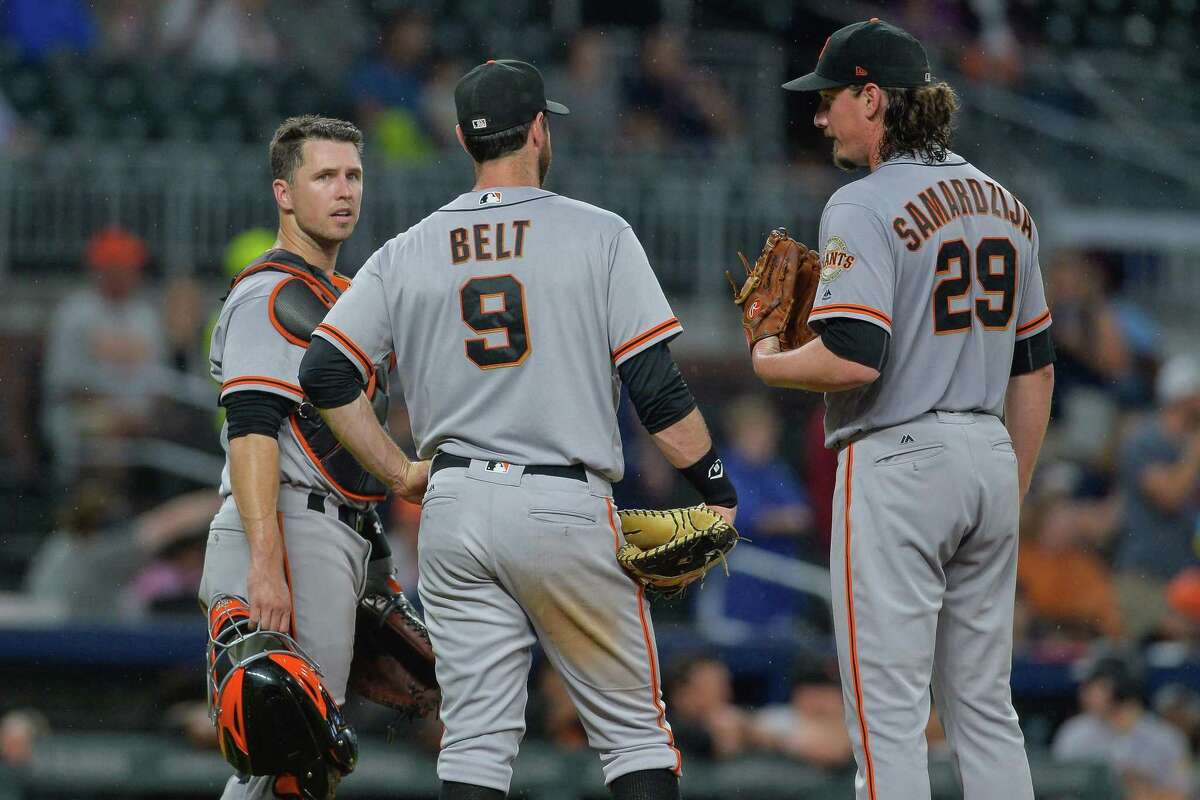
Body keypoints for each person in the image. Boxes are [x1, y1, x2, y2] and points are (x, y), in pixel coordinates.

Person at [298, 59, 737, 800]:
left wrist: (401, 470)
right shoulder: (597, 234)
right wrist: (716, 486)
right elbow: (656, 390)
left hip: (455, 505)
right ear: (538, 129)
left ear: (470, 142)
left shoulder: (408, 249)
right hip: (561, 503)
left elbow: (323, 374)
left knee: (474, 744)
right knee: (633, 733)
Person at [749, 19, 1055, 800]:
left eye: (830, 99)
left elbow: (854, 354)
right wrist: (1007, 488)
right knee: (986, 708)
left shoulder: (862, 202)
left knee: (888, 716)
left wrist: (768, 362)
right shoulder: (1007, 204)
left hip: (898, 460)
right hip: (989, 451)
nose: (819, 117)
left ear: (874, 97)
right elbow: (1036, 369)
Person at [201, 115, 418, 800]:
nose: (344, 190)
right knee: (289, 751)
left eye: (352, 175)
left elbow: (341, 452)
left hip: (324, 534)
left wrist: (373, 562)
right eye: (324, 176)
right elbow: (254, 427)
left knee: (298, 760)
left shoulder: (341, 294)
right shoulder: (275, 292)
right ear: (284, 193)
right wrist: (267, 564)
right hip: (283, 531)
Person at [1113, 354, 1200, 641]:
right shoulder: (1144, 441)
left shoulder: (1187, 445)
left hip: (1184, 578)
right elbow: (1170, 496)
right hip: (1144, 579)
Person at [1053, 653, 1192, 800]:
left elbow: (1182, 794)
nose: (1083, 695)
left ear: (1118, 686)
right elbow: (1058, 791)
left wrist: (1141, 789)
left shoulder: (1166, 738)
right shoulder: (1074, 733)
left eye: (1093, 687)